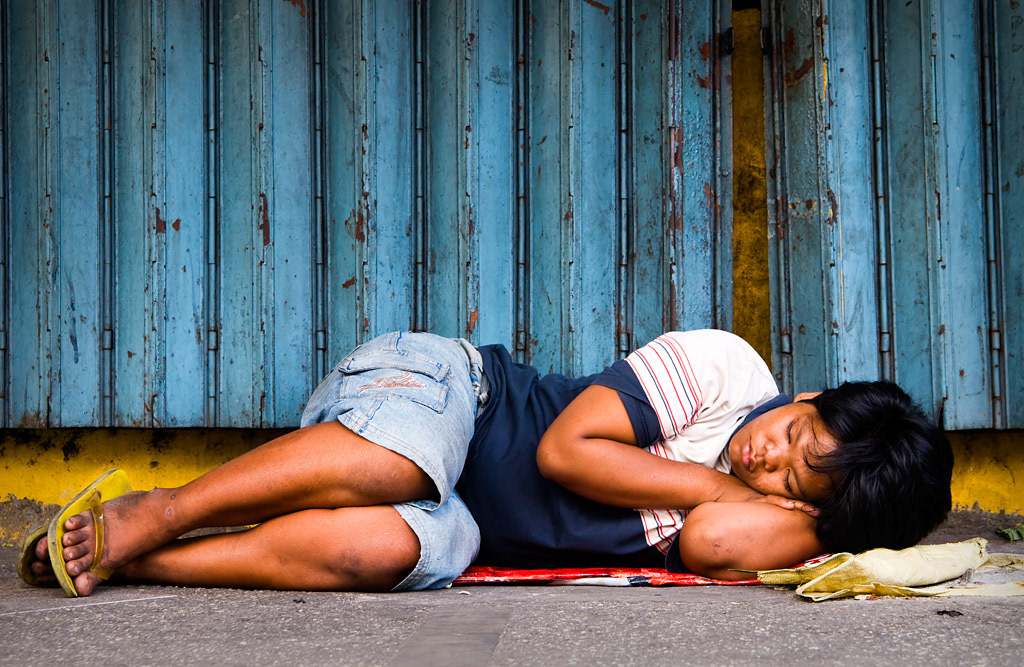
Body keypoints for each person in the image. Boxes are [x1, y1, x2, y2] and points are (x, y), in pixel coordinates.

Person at [21, 329, 953, 596]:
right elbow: (565, 449)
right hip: (453, 397)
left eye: (795, 482)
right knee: (403, 468)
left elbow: (712, 543)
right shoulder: (728, 370)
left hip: (466, 525)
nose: (768, 458)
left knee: (381, 549)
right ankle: (163, 509)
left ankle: (143, 560)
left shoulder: (769, 517)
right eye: (796, 436)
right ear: (807, 395)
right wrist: (724, 479)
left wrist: (806, 520)